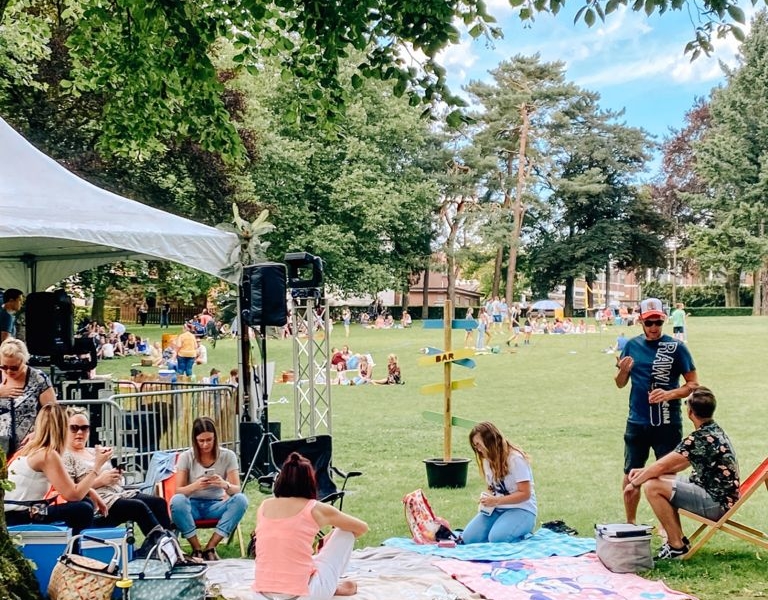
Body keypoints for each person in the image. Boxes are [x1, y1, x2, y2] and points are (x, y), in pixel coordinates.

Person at [626, 386, 739, 559]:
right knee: (660, 478)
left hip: (718, 504)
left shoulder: (698, 439)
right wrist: (645, 472)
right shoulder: (713, 430)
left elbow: (662, 466)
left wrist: (634, 483)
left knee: (652, 486)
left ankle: (676, 545)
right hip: (723, 496)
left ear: (690, 412)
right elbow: (672, 465)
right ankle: (677, 540)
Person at [614, 297, 698, 525]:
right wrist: (623, 371)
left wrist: (669, 394)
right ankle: (630, 523)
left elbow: (693, 384)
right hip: (637, 420)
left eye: (658, 323)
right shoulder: (631, 345)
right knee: (631, 473)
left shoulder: (677, 347)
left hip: (667, 422)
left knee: (667, 477)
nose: (653, 328)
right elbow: (620, 383)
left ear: (664, 321)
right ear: (641, 322)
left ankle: (666, 527)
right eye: (649, 323)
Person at [252, 451, 368, 599]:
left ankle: (329, 584)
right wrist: (332, 535)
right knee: (345, 533)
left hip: (260, 595)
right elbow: (361, 528)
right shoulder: (314, 508)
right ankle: (331, 585)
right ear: (310, 481)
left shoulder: (265, 506)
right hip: (304, 594)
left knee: (294, 557)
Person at [63, 408, 172, 556]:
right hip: (98, 503)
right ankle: (162, 550)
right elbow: (70, 489)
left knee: (158, 503)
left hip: (119, 493)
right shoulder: (65, 456)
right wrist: (101, 480)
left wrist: (114, 475)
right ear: (65, 429)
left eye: (84, 428)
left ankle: (170, 547)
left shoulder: (93, 450)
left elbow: (107, 475)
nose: (80, 433)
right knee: (137, 507)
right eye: (74, 428)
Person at [5, 404, 110, 535]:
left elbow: (62, 486)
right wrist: (97, 466)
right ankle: (75, 550)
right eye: (71, 427)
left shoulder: (31, 447)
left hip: (17, 511)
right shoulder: (47, 454)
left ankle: (78, 546)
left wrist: (89, 490)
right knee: (82, 508)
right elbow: (73, 494)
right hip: (19, 516)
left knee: (85, 502)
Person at [170, 417, 248, 561]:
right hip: (191, 505)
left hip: (215, 504)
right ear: (195, 440)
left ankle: (211, 547)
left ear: (215, 438)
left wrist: (224, 484)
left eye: (209, 440)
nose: (205, 445)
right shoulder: (186, 457)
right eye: (201, 441)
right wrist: (196, 486)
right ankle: (197, 548)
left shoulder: (227, 456)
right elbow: (178, 490)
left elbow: (237, 490)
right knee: (177, 501)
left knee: (241, 500)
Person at [462, 422, 537, 544]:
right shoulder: (487, 460)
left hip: (521, 509)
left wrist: (497, 501)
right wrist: (488, 499)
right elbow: (492, 487)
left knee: (497, 539)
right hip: (497, 509)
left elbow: (525, 493)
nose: (478, 449)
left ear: (489, 442)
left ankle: (521, 533)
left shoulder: (515, 459)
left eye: (478, 445)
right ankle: (503, 527)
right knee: (469, 538)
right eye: (475, 446)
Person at [0, 338, 57, 455]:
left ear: (24, 361)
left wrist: (38, 433)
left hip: (28, 446)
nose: (9, 371)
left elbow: (53, 412)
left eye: (14, 367)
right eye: (4, 367)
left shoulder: (38, 378)